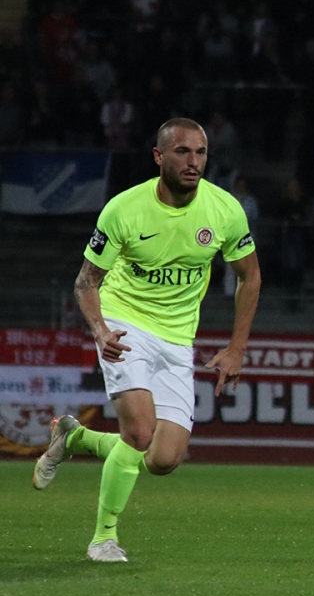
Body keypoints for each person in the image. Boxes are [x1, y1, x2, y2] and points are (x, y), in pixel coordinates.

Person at [31, 118, 261, 563]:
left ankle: (74, 438)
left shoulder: (225, 210)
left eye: (200, 153)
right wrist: (100, 331)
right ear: (159, 157)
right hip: (125, 322)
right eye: (182, 152)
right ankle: (103, 537)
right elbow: (85, 282)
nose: (193, 162)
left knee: (163, 459)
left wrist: (237, 349)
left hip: (177, 339)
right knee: (137, 431)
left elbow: (249, 276)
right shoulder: (124, 209)